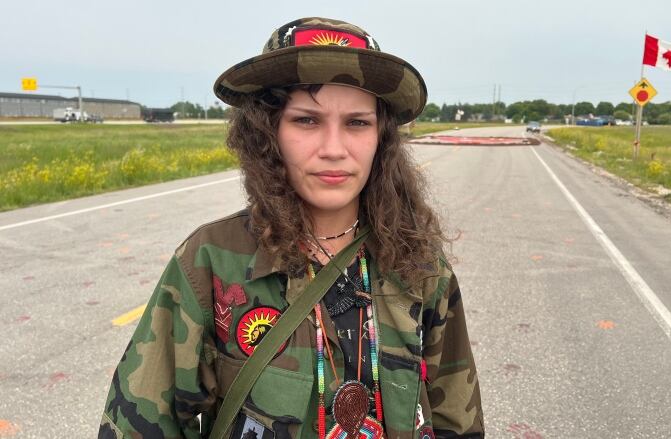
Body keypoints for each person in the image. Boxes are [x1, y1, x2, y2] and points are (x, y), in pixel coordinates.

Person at [99, 17, 483, 439]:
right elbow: (142, 426)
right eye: (306, 121)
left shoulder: (420, 264)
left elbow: (456, 421)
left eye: (357, 122)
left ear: (381, 138)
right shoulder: (208, 262)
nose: (334, 149)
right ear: (268, 133)